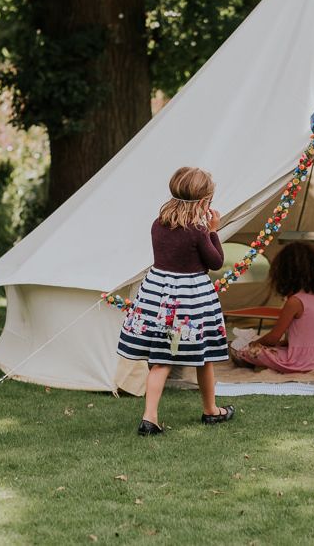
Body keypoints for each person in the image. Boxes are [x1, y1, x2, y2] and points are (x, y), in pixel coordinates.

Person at [117, 166, 232, 435]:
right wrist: (213, 230)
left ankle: (150, 417)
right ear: (204, 202)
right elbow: (215, 262)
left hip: (158, 296)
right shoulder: (197, 231)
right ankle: (210, 410)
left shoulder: (159, 224)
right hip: (191, 298)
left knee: (161, 359)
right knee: (205, 356)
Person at [229, 242, 314, 373]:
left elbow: (273, 338)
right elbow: (309, 336)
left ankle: (244, 357)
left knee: (245, 351)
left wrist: (252, 343)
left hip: (305, 360)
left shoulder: (295, 301)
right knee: (277, 348)